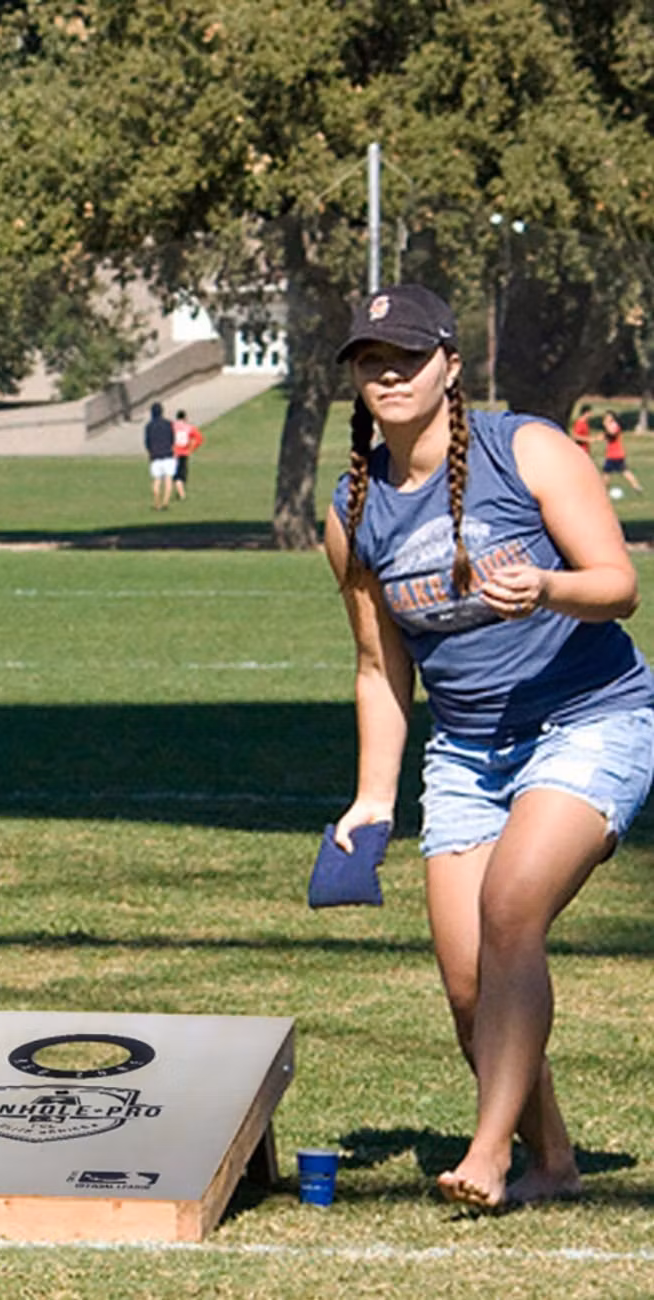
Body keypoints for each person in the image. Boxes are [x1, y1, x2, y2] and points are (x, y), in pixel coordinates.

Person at [326, 284, 654, 1210]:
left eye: (406, 356)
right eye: (368, 360)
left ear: (450, 366)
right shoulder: (354, 508)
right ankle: (553, 1160)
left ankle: (487, 1152)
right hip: (468, 750)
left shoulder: (529, 449)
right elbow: (379, 670)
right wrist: (372, 798)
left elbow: (619, 584)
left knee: (513, 908)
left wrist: (546, 587)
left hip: (591, 717)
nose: (387, 373)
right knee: (470, 985)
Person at [600, 408, 643, 498]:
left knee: (611, 472)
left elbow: (612, 433)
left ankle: (636, 486)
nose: (606, 418)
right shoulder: (610, 425)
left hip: (615, 454)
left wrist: (606, 425)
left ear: (611, 417)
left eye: (607, 416)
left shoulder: (614, 425)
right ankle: (636, 486)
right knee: (610, 473)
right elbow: (604, 437)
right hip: (612, 454)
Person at [144, 401, 176, 510]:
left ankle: (157, 503)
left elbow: (147, 442)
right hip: (168, 454)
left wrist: (150, 452)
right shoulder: (168, 424)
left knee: (156, 480)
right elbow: (172, 439)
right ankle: (165, 502)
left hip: (155, 456)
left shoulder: (149, 426)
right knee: (168, 479)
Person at [171, 409, 204, 501]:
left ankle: (180, 492)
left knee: (177, 474)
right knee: (181, 475)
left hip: (174, 453)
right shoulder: (189, 427)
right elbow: (199, 438)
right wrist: (191, 449)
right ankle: (182, 495)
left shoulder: (172, 427)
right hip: (184, 453)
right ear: (185, 417)